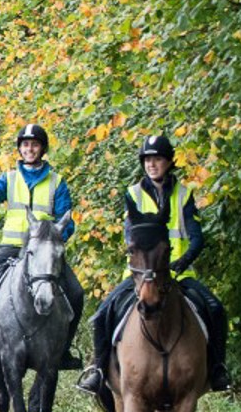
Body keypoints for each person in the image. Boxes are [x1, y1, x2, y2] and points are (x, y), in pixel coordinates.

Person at [76, 133, 231, 394]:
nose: (151, 164)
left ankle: (217, 369)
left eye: (157, 159)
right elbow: (129, 234)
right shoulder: (133, 194)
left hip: (177, 275)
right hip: (139, 276)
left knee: (216, 309)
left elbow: (196, 236)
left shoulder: (183, 195)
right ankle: (99, 370)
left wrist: (182, 261)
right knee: (103, 313)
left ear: (169, 162)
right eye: (147, 160)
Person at [0, 123, 86, 368]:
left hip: (43, 252)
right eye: (25, 145)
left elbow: (66, 222)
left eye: (34, 144)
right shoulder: (10, 178)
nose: (29, 149)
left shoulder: (57, 182)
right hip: (11, 247)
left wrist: (53, 238)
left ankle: (64, 350)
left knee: (77, 293)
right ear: (19, 149)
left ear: (42, 149)